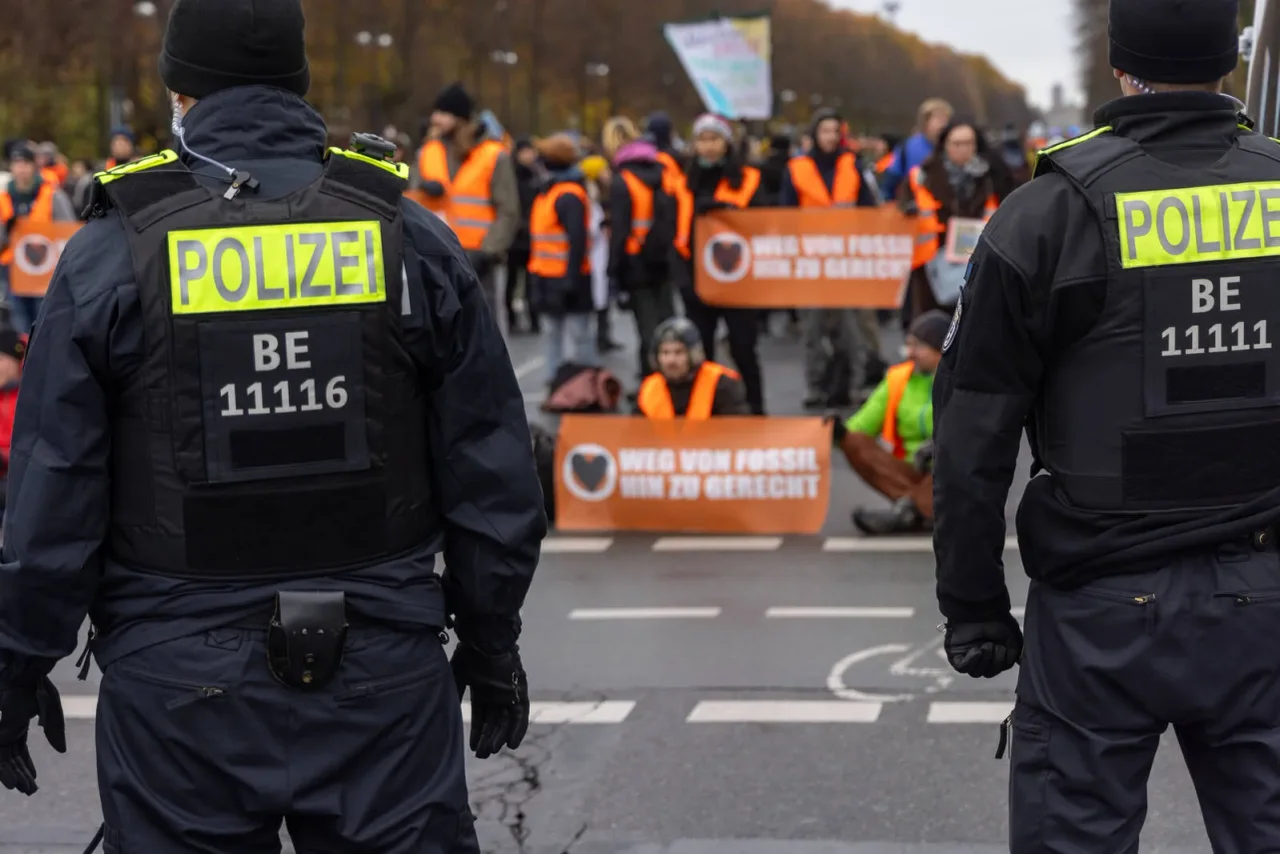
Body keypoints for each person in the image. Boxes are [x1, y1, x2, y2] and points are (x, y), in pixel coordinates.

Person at [0, 2, 546, 851]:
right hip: (380, 669)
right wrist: (490, 639)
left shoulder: (113, 252)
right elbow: (491, 468)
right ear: (299, 82)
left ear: (180, 91)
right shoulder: (408, 235)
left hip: (179, 681)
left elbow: (55, 486)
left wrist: (18, 659)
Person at [932, 1, 1280, 850]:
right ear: (1230, 63)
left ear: (1122, 68)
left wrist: (974, 607)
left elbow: (972, 436)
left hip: (1101, 607)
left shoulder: (1046, 214)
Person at [779, 107, 881, 409]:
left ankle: (854, 384)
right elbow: (786, 214)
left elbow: (868, 209)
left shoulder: (852, 166)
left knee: (850, 327)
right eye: (825, 131)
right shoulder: (796, 169)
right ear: (814, 134)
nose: (831, 137)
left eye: (836, 131)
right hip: (810, 258)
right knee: (813, 327)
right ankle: (815, 385)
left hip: (846, 257)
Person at [673, 113, 766, 414]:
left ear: (726, 143)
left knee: (743, 348)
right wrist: (683, 279)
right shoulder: (682, 183)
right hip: (696, 276)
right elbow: (672, 231)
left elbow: (764, 222)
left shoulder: (748, 179)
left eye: (714, 139)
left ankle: (755, 409)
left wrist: (726, 210)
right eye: (702, 140)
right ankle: (707, 411)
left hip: (737, 278)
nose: (708, 146)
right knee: (702, 351)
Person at [415, 81, 521, 334]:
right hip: (434, 258)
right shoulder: (427, 151)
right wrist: (422, 191)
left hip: (479, 262)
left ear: (460, 117)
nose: (435, 118)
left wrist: (487, 252)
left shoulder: (494, 155)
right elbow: (411, 203)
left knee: (484, 332)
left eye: (442, 112)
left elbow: (509, 211)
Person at [833, 310, 947, 535]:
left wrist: (938, 446)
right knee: (854, 441)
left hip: (947, 471)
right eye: (908, 345)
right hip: (910, 468)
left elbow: (975, 432)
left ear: (940, 349)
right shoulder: (898, 378)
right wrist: (837, 431)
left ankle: (912, 509)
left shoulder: (962, 380)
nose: (910, 353)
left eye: (918, 346)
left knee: (954, 457)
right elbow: (861, 427)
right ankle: (914, 508)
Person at [900, 120, 1000, 324]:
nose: (963, 149)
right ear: (944, 145)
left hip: (978, 262)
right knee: (934, 329)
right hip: (932, 267)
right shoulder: (923, 175)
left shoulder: (992, 178)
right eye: (957, 144)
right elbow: (903, 206)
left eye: (968, 143)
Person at [604, 116, 678, 383]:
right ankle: (675, 378)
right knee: (668, 321)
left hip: (636, 263)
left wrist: (612, 271)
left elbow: (621, 230)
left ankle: (653, 384)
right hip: (665, 258)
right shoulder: (663, 171)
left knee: (647, 329)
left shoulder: (622, 181)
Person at [528, 134, 598, 381]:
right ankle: (557, 385)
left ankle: (584, 387)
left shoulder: (566, 195)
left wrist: (570, 279)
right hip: (548, 277)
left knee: (578, 336)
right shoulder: (548, 193)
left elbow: (577, 242)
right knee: (553, 335)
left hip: (567, 278)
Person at [0, 145, 77, 334]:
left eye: (25, 163)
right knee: (18, 326)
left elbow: (68, 232)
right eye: (17, 164)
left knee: (45, 323)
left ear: (34, 166)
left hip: (45, 272)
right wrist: (6, 231)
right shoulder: (3, 198)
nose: (21, 169)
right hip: (12, 273)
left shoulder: (52, 195)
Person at [635, 318, 749, 418]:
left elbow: (737, 431)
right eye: (665, 353)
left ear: (694, 355)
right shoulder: (650, 388)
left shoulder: (721, 384)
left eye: (679, 352)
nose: (671, 360)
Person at [878, 97, 953, 200]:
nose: (943, 124)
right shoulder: (908, 147)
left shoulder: (955, 146)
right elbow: (890, 183)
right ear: (925, 121)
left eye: (946, 119)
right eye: (938, 118)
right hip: (913, 204)